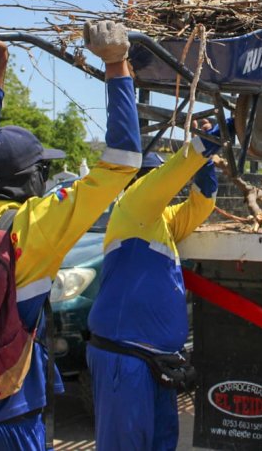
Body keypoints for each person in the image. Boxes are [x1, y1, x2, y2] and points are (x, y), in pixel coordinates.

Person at [0, 21, 142, 451]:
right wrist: (116, 63)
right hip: (10, 412)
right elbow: (122, 161)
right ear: (36, 176)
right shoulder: (37, 224)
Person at [86, 119, 224, 450]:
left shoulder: (157, 220)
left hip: (157, 362)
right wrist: (215, 136)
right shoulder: (132, 205)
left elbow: (201, 204)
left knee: (162, 443)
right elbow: (173, 173)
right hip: (126, 358)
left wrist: (204, 165)